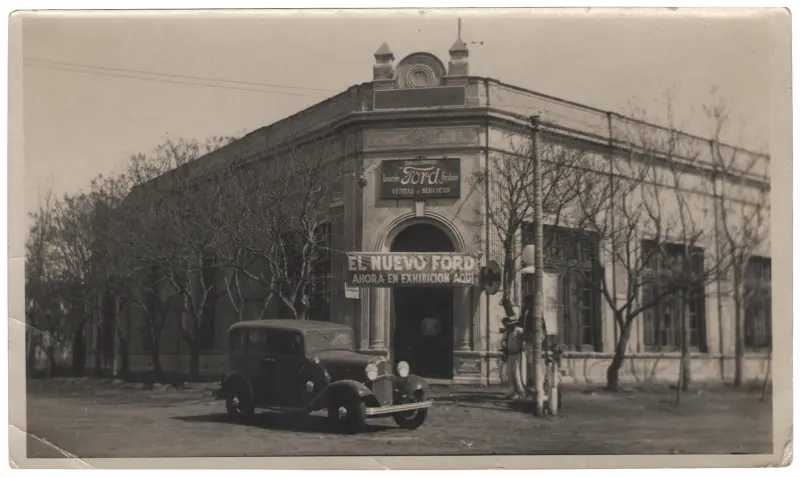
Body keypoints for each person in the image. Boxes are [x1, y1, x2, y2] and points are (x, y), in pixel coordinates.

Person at [502, 315, 526, 399]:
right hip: (510, 355)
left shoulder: (519, 331)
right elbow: (503, 341)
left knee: (516, 374)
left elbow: (525, 338)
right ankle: (512, 392)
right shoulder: (507, 332)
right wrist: (504, 346)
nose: (509, 326)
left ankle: (520, 391)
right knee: (510, 375)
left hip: (517, 355)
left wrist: (522, 347)